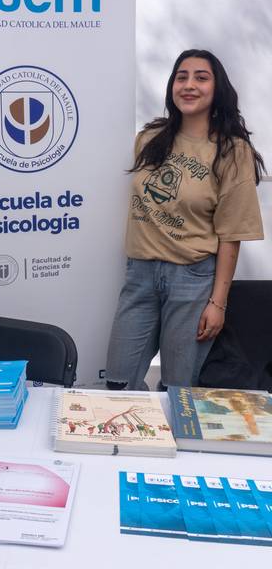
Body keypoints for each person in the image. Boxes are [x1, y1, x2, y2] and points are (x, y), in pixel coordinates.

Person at [105, 49, 264, 391]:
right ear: (172, 86)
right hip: (140, 275)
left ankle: (177, 443)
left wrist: (217, 303)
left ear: (216, 88)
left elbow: (230, 235)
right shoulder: (150, 138)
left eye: (201, 78)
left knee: (180, 390)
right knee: (118, 382)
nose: (189, 85)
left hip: (192, 280)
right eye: (182, 77)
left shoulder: (232, 152)